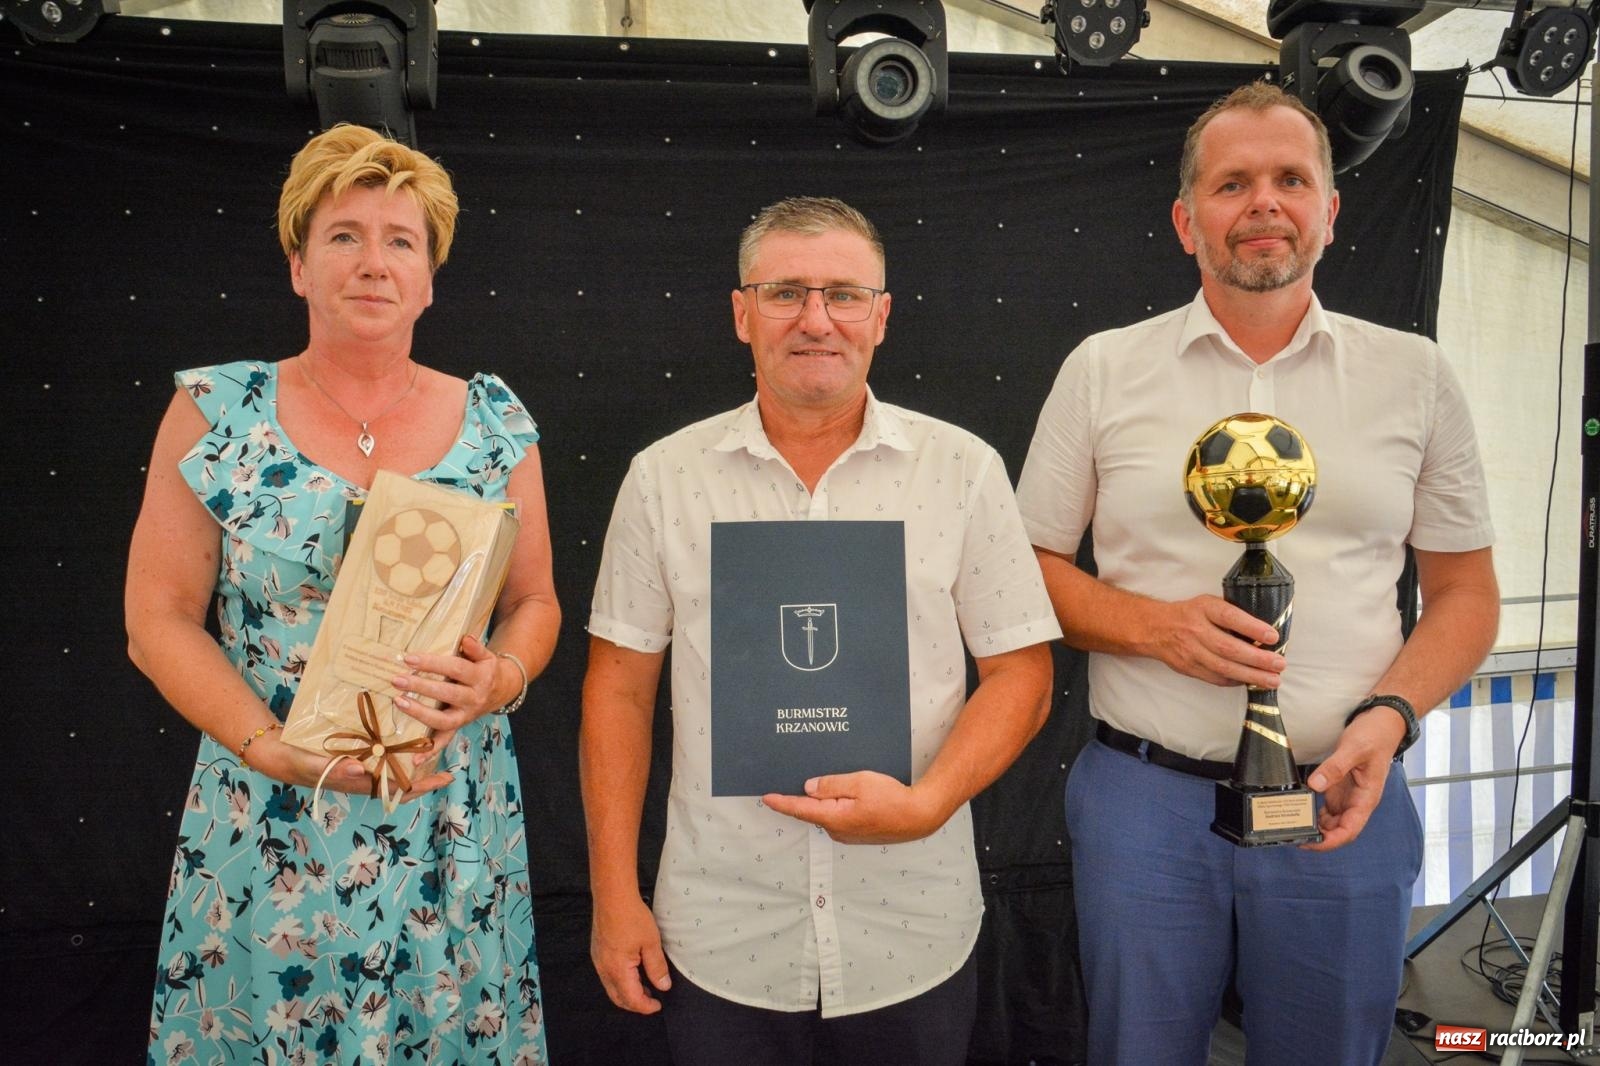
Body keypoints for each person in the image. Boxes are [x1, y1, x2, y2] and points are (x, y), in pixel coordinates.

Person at [1015, 81, 1500, 1066]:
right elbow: (1020, 571)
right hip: (1143, 801)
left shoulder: (1414, 376)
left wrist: (1389, 717)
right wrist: (1152, 628)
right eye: (1232, 183)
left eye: (1290, 178)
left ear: (1329, 209)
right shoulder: (1103, 370)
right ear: (1186, 220)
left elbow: (1464, 593)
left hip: (1344, 789)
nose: (1263, 202)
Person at [580, 196, 1059, 1065]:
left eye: (843, 294)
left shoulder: (964, 470)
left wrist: (930, 802)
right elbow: (617, 688)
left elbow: (1022, 675)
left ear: (881, 315)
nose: (815, 320)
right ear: (740, 314)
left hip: (911, 925)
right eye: (784, 293)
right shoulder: (663, 479)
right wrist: (614, 894)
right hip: (721, 929)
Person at [126, 124, 560, 1065]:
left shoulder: (495, 421)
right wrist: (267, 749)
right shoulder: (218, 410)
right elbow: (156, 621)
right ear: (298, 266)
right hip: (266, 800)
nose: (374, 262)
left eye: (401, 240)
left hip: (448, 810)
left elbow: (537, 603)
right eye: (344, 236)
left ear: (431, 276)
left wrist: (503, 679)